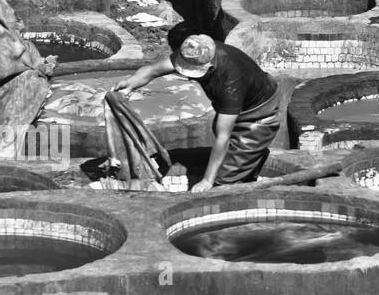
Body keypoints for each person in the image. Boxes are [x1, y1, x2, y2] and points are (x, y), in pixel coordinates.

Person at [113, 35, 281, 192]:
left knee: (225, 180)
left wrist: (207, 181)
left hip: (259, 113)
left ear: (210, 67)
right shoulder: (192, 51)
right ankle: (247, 161)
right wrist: (130, 83)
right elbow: (153, 70)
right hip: (243, 102)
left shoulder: (230, 81)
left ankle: (247, 161)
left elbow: (223, 137)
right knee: (225, 140)